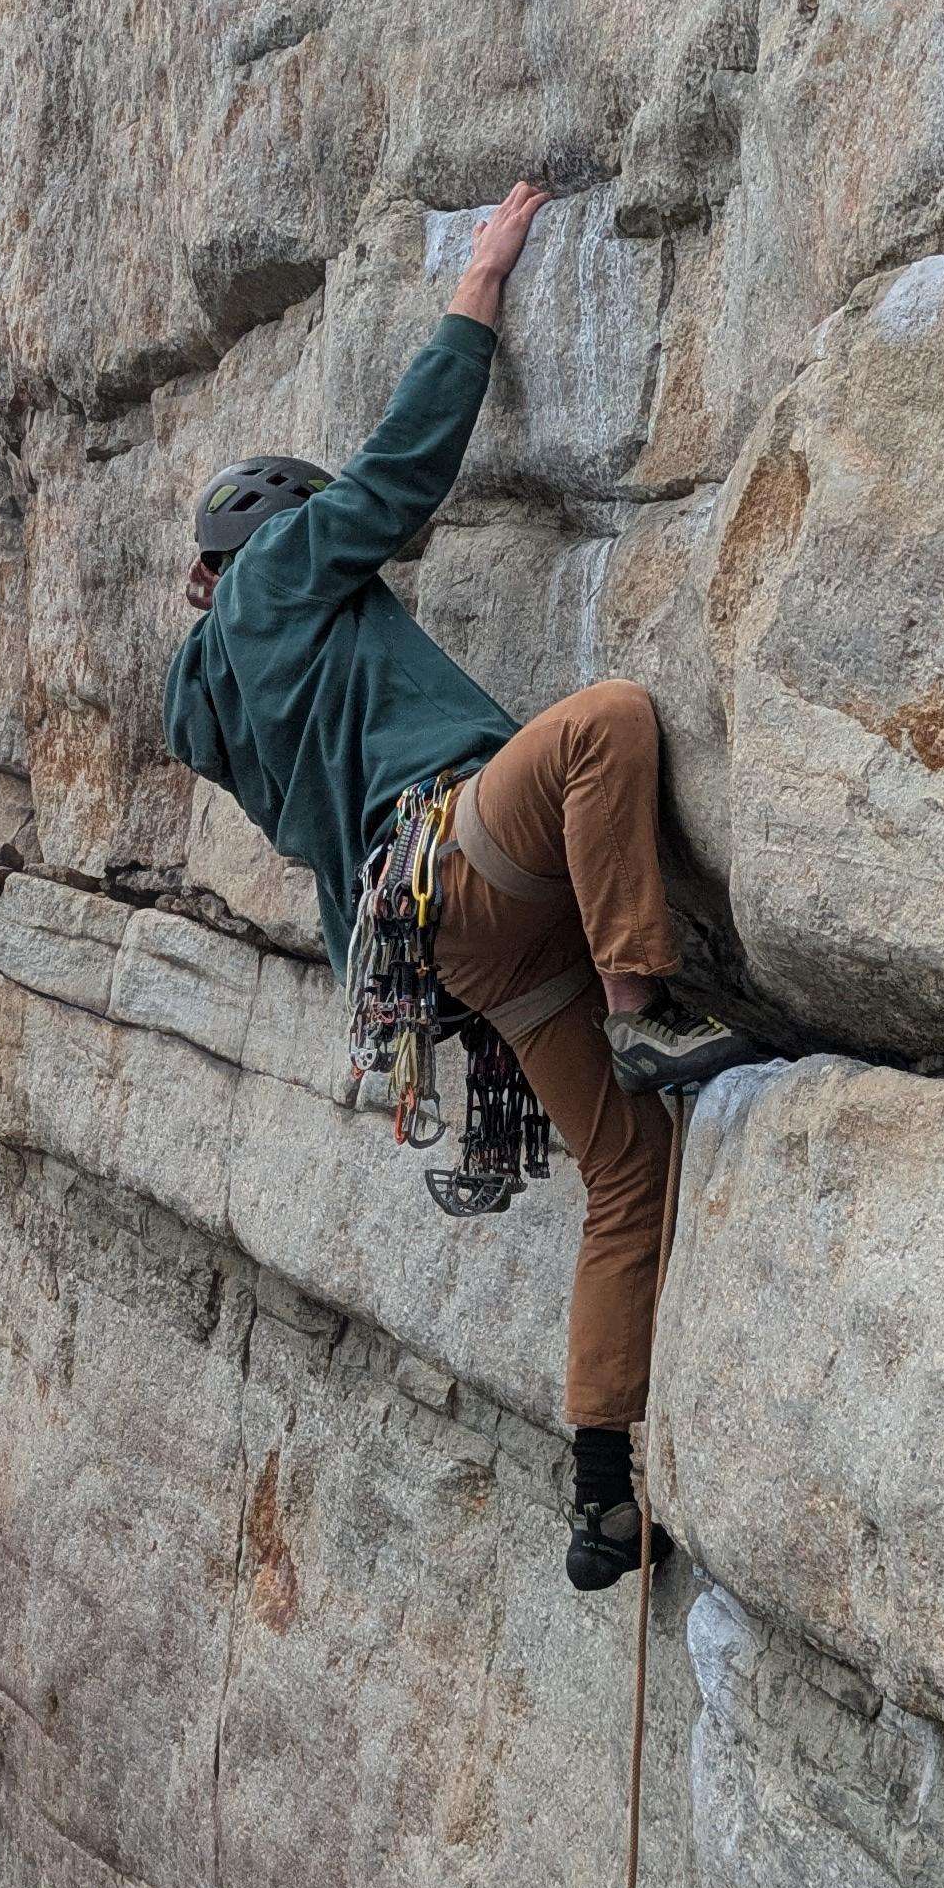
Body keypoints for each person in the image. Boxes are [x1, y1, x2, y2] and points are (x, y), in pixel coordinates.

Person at [161, 182, 738, 1590]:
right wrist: (480, 288)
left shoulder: (212, 705)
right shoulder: (276, 580)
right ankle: (642, 1002)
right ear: (268, 545)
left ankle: (604, 1487)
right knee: (605, 723)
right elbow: (395, 476)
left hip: (442, 956)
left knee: (626, 1170)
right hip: (468, 858)